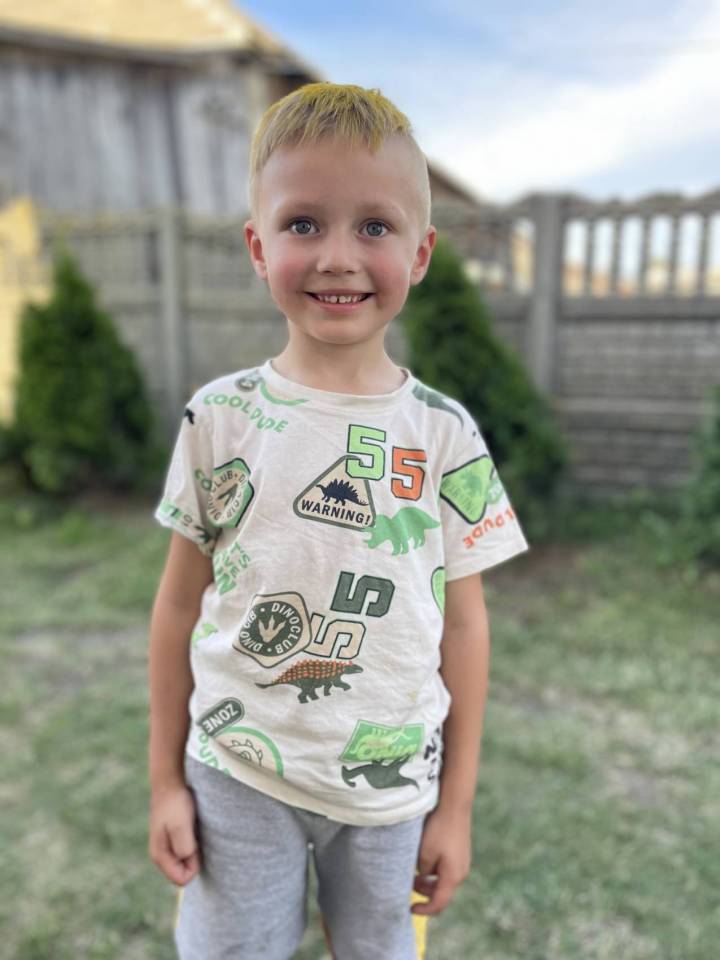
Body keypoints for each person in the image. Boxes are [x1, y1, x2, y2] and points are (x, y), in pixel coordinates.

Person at [148, 81, 530, 960]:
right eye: (303, 223)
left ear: (421, 253)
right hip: (236, 774)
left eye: (375, 227)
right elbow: (175, 608)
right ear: (258, 246)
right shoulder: (219, 418)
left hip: (391, 790)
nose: (337, 257)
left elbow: (465, 628)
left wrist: (456, 807)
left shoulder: (445, 435)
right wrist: (165, 780)